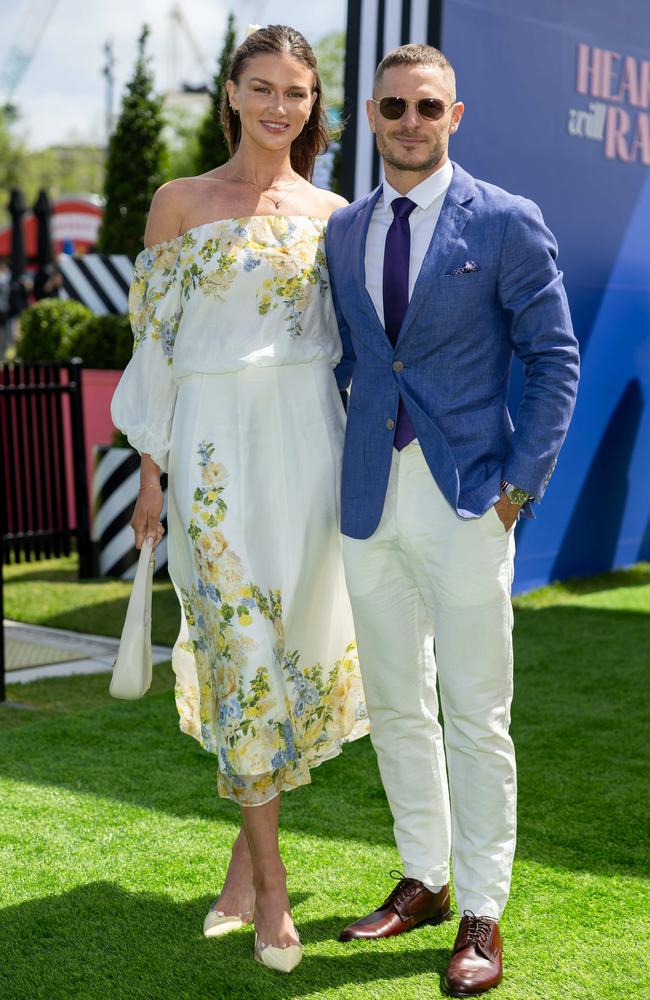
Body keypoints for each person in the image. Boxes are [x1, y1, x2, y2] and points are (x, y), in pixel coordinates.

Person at [111, 24, 367, 975]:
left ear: (312, 106)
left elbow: (355, 350)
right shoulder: (179, 203)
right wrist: (151, 473)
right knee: (240, 648)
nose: (278, 107)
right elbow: (157, 346)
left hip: (308, 448)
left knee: (294, 651)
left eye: (296, 92)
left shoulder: (334, 212)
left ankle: (239, 869)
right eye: (261, 87)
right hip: (214, 452)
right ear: (230, 93)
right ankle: (273, 892)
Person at [325, 44, 579, 997]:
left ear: (456, 115)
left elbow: (555, 362)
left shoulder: (508, 222)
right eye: (393, 106)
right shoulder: (345, 233)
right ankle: (424, 880)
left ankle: (482, 907)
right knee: (395, 705)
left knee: (474, 714)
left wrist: (518, 488)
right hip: (367, 504)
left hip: (471, 497)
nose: (409, 121)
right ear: (373, 114)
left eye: (427, 106)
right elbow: (357, 361)